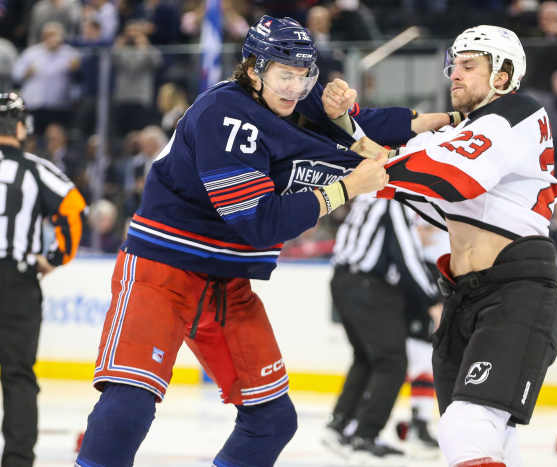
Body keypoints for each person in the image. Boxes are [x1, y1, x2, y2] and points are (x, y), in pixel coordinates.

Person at [74, 15, 389, 467]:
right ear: (254, 69)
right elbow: (258, 223)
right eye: (285, 74)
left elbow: (377, 137)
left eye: (304, 77)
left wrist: (364, 132)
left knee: (274, 420)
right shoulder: (226, 112)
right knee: (130, 403)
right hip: (162, 271)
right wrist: (344, 187)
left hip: (227, 284)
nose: (295, 87)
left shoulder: (293, 112)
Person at [350, 25, 557, 466]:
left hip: (516, 295)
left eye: (469, 66)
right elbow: (395, 169)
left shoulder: (516, 114)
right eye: (454, 66)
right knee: (481, 441)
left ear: (503, 75)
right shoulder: (466, 133)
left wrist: (377, 165)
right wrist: (335, 122)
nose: (455, 75)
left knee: (465, 428)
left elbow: (453, 176)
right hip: (467, 297)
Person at [0, 91, 86, 467]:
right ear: (21, 128)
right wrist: (54, 257)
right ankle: (16, 461)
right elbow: (72, 209)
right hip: (16, 280)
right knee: (18, 376)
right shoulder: (35, 169)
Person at [323, 194, 442, 461]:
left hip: (343, 281)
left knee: (366, 358)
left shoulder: (368, 198)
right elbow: (407, 256)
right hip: (369, 286)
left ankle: (339, 425)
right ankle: (365, 436)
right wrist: (432, 300)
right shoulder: (392, 201)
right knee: (392, 362)